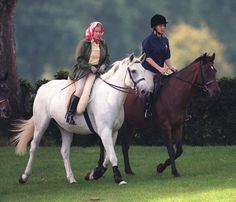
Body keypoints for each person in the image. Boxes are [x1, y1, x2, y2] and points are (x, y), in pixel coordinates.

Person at [65, 21, 110, 125]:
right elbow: (79, 59)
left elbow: (107, 58)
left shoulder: (103, 44)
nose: (98, 34)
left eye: (100, 31)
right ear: (91, 31)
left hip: (98, 71)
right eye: (96, 31)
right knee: (80, 89)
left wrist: (104, 66)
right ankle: (70, 114)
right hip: (83, 70)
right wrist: (90, 67)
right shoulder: (84, 43)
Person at [142, 14, 177, 120]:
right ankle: (147, 110)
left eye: (164, 26)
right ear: (155, 27)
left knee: (170, 87)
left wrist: (171, 67)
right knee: (150, 88)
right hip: (148, 70)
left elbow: (166, 57)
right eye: (161, 26)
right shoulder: (147, 41)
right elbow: (147, 58)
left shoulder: (165, 40)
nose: (163, 28)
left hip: (160, 71)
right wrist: (159, 68)